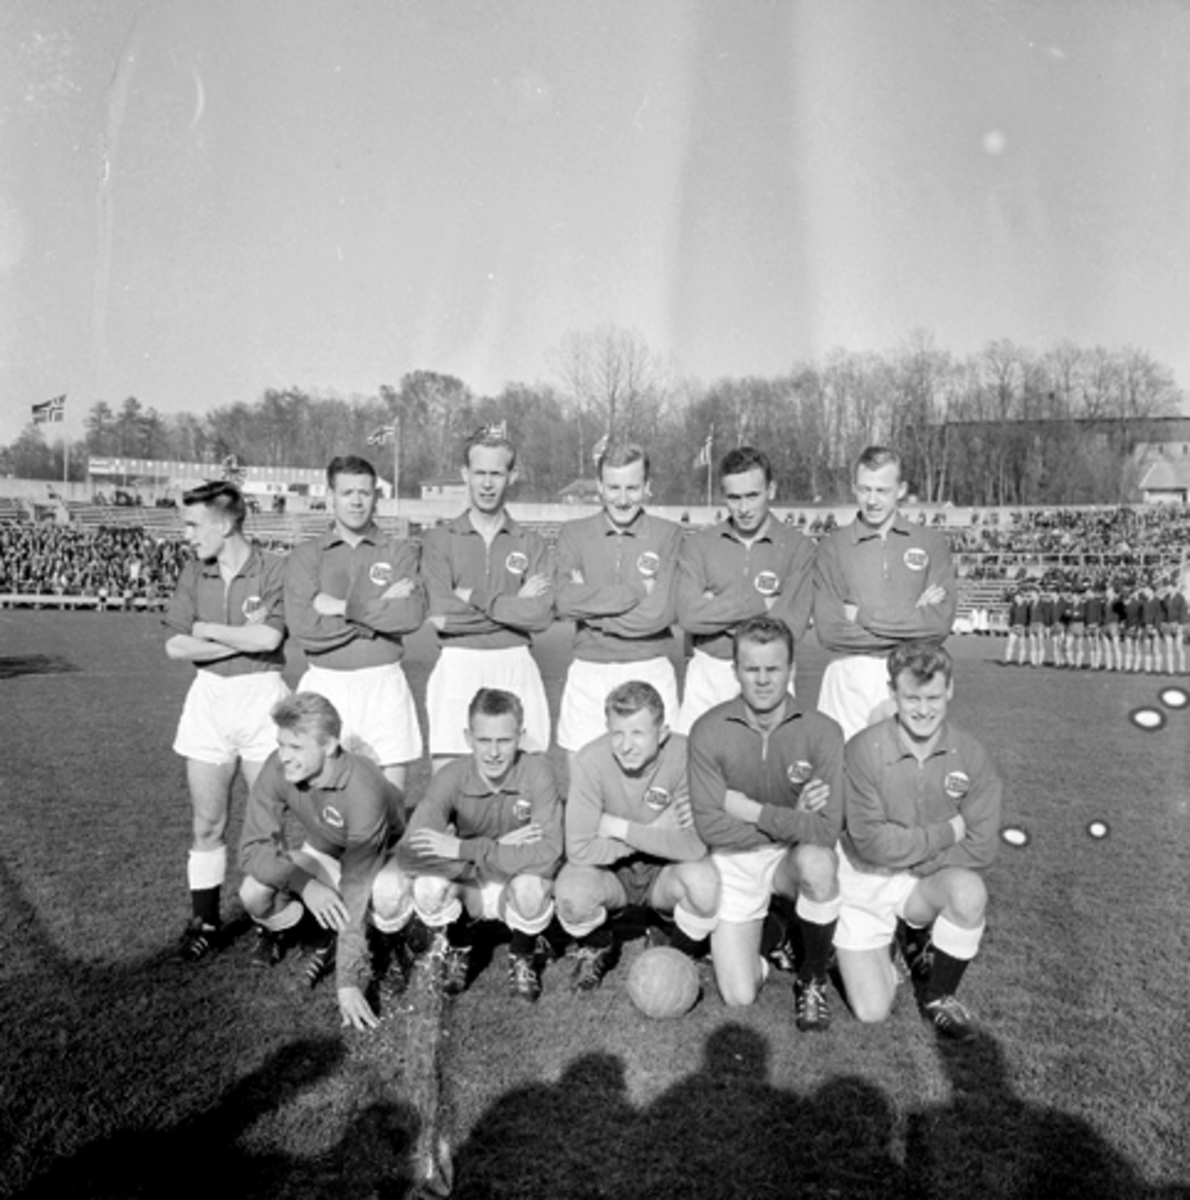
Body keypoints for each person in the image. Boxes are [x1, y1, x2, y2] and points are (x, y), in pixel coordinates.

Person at [835, 642, 1001, 1043]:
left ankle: (940, 996)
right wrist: (946, 833)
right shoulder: (863, 750)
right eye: (911, 697)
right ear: (893, 694)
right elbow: (872, 843)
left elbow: (982, 845)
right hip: (866, 879)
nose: (923, 709)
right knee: (872, 1012)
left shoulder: (971, 754)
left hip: (920, 878)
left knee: (968, 892)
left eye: (932, 697)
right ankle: (861, 943)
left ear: (950, 691)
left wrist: (918, 863)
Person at [688, 616, 843, 1030]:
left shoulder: (824, 731)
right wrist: (796, 819)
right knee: (739, 997)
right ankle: (774, 934)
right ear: (735, 670)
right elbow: (709, 826)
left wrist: (750, 810)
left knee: (819, 863)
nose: (761, 680)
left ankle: (811, 979)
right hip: (734, 860)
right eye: (751, 669)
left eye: (772, 669)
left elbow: (826, 830)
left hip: (786, 859)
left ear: (791, 670)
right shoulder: (707, 730)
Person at [164, 480, 289, 961]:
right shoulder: (195, 573)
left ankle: (272, 920)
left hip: (263, 698)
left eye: (194, 525)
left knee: (267, 825)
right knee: (207, 823)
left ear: (227, 521)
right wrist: (239, 639)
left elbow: (269, 639)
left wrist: (209, 631)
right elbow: (175, 645)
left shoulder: (274, 567)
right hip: (210, 699)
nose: (188, 535)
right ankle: (206, 921)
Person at [373, 689, 563, 1001]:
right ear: (467, 737)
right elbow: (410, 853)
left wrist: (464, 848)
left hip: (516, 876)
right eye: (484, 740)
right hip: (475, 879)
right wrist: (495, 848)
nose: (493, 752)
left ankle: (522, 954)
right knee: (427, 888)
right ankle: (460, 946)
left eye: (504, 740)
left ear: (521, 736)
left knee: (532, 888)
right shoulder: (452, 776)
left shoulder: (538, 773)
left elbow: (549, 855)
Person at [238, 693, 405, 1032]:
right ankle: (320, 934)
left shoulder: (364, 789)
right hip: (327, 853)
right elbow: (251, 848)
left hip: (385, 857)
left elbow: (356, 886)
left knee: (384, 895)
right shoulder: (278, 765)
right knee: (253, 892)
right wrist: (304, 884)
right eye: (281, 743)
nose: (284, 756)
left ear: (329, 746)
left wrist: (348, 982)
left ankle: (399, 940)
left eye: (296, 747)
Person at [555, 680, 719, 990]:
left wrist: (617, 828)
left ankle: (676, 951)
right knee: (572, 896)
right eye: (617, 733)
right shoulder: (590, 761)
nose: (625, 745)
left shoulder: (686, 755)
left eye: (638, 733)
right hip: (612, 873)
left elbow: (695, 845)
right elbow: (578, 848)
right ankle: (599, 944)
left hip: (665, 869)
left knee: (704, 883)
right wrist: (653, 831)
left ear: (663, 733)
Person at [284, 455, 425, 791]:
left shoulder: (398, 552)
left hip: (384, 686)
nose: (357, 501)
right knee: (321, 803)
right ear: (330, 496)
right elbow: (305, 629)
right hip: (324, 685)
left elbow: (411, 615)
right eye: (348, 493)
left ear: (376, 496)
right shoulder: (307, 555)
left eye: (365, 492)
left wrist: (338, 607)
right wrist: (378, 611)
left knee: (388, 806)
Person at [421, 428, 553, 769]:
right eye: (479, 473)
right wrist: (513, 603)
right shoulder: (439, 540)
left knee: (525, 775)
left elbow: (539, 616)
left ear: (512, 476)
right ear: (465, 474)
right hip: (458, 662)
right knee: (450, 777)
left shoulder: (531, 542)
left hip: (515, 662)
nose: (487, 483)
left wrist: (474, 598)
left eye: (496, 473)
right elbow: (440, 616)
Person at [813, 446, 956, 739]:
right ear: (854, 488)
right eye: (865, 490)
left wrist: (861, 615)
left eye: (882, 490)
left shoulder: (931, 543)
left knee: (903, 777)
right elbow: (829, 631)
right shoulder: (833, 546)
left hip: (910, 675)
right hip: (847, 678)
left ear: (901, 489)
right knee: (844, 774)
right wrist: (913, 620)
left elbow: (939, 625)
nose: (873, 500)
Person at [554, 443, 683, 760]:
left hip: (649, 667)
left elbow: (659, 614)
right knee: (582, 783)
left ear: (647, 487)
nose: (622, 499)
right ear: (599, 486)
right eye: (613, 487)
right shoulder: (574, 533)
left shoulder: (669, 535)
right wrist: (639, 591)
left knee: (655, 786)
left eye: (632, 488)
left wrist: (592, 610)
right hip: (589, 669)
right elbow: (563, 602)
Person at [673, 447, 814, 733]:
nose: (744, 508)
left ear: (771, 490)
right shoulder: (698, 546)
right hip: (709, 671)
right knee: (697, 770)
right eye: (734, 498)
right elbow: (688, 616)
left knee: (767, 772)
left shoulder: (799, 549)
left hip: (770, 673)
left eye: (753, 495)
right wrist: (762, 602)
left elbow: (791, 625)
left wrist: (716, 610)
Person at [1160, 582, 1186, 675]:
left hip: (1177, 624)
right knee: (1169, 648)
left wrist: (1181, 624)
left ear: (1174, 588)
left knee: (1179, 648)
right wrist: (1162, 622)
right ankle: (1170, 670)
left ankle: (1182, 670)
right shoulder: (1165, 598)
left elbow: (1183, 611)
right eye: (1167, 588)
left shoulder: (1180, 598)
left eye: (1169, 588)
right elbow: (1162, 611)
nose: (1168, 589)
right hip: (1167, 625)